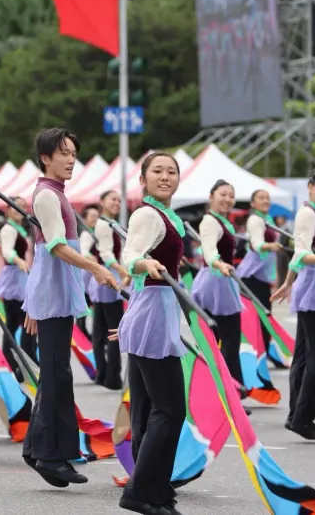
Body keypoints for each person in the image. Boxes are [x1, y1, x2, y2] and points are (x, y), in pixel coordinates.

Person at [21, 129, 118, 486]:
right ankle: (50, 455)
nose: (71, 159)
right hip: (53, 295)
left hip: (54, 294)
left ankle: (43, 450)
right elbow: (56, 249)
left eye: (74, 153)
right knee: (57, 374)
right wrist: (96, 268)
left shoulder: (56, 194)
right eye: (63, 153)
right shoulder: (46, 195)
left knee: (56, 374)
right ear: (45, 157)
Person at [117, 152, 187, 515]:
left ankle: (156, 491)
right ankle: (140, 491)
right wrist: (145, 262)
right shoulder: (147, 214)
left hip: (157, 311)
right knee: (171, 409)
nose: (165, 176)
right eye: (156, 171)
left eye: (171, 171)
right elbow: (129, 255)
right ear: (142, 179)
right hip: (152, 314)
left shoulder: (169, 218)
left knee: (155, 409)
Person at [270, 169, 315, 442]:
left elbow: (298, 258)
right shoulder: (308, 214)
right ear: (310, 187)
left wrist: (288, 283)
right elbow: (300, 252)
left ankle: (295, 415)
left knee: (303, 355)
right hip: (314, 292)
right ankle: (302, 418)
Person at [192, 180, 245, 389]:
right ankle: (226, 390)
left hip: (221, 279)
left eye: (231, 196)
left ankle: (228, 390)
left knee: (222, 341)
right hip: (216, 281)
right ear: (211, 196)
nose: (227, 199)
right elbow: (209, 249)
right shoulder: (210, 221)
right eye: (223, 194)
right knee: (226, 341)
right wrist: (218, 263)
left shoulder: (221, 221)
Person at [89, 190, 129, 390]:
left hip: (104, 281)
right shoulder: (104, 225)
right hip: (109, 281)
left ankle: (103, 373)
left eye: (119, 200)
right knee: (114, 331)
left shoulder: (107, 224)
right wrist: (122, 272)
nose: (117, 203)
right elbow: (106, 254)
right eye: (113, 199)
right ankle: (111, 376)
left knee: (100, 331)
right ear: (102, 202)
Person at [236, 189, 282, 360]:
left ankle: (262, 350)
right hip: (251, 276)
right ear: (253, 204)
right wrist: (271, 246)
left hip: (261, 276)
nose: (265, 201)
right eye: (261, 198)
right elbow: (256, 244)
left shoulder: (267, 220)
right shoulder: (255, 220)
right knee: (260, 315)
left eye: (268, 198)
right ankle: (257, 353)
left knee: (263, 315)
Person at [0, 196, 37, 373]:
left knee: (13, 324)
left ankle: (16, 364)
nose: (19, 210)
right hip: (14, 280)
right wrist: (18, 261)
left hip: (20, 278)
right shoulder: (9, 229)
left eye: (22, 207)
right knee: (22, 323)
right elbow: (6, 250)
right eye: (15, 207)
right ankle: (25, 361)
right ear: (8, 210)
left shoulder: (20, 228)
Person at [78, 203, 100, 339]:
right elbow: (82, 251)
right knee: (84, 306)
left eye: (97, 216)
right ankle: (82, 333)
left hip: (92, 275)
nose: (94, 219)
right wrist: (92, 257)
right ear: (85, 219)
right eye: (92, 216)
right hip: (85, 276)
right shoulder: (86, 234)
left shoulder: (95, 232)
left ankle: (86, 333)